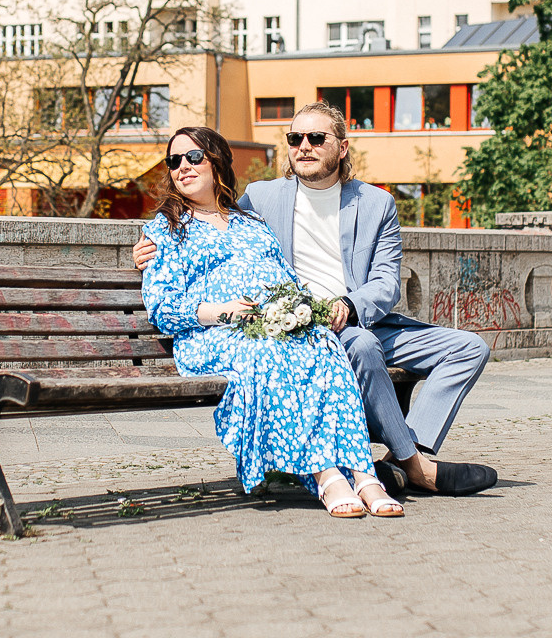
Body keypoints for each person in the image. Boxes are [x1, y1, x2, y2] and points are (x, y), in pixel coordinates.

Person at [135, 102, 498, 499]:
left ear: (341, 147)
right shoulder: (262, 198)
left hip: (361, 315)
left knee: (469, 347)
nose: (303, 146)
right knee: (358, 345)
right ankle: (416, 468)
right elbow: (207, 222)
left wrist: (351, 305)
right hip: (304, 324)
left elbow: (385, 282)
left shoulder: (376, 203)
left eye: (316, 138)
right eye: (295, 138)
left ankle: (407, 455)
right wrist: (146, 250)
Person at [138, 125, 403, 519]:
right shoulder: (166, 229)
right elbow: (162, 306)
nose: (183, 168)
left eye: (194, 157)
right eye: (174, 161)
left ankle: (364, 475)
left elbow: (287, 280)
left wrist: (299, 313)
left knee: (323, 344)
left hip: (269, 327)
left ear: (217, 163)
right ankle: (328, 476)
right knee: (269, 351)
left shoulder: (251, 223)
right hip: (212, 335)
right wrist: (223, 310)